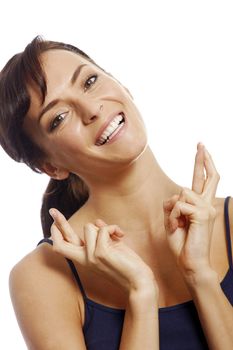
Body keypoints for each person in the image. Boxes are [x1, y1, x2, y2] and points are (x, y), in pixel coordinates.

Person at [0, 36, 232, 350]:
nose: (91, 108)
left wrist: (201, 276)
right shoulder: (43, 277)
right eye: (58, 118)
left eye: (89, 81)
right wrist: (140, 294)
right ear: (51, 167)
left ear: (122, 85)